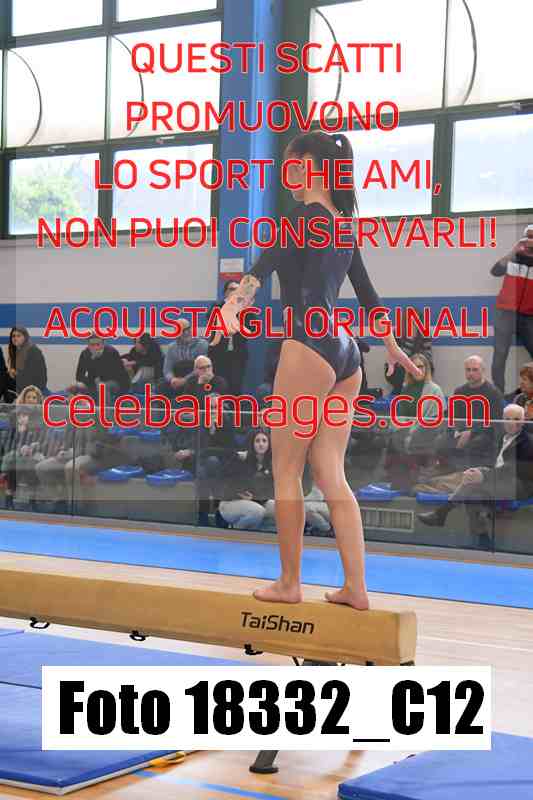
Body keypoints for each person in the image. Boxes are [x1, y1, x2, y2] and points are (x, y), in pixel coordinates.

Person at [216, 130, 422, 610]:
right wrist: (392, 347)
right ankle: (356, 588)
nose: (286, 174)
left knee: (286, 471)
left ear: (309, 167)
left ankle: (290, 583)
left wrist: (231, 306)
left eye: (290, 164)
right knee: (331, 475)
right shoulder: (344, 224)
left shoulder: (302, 217)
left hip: (308, 344)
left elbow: (260, 269)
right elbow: (368, 294)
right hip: (346, 353)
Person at [417, 404, 533, 547]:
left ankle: (442, 513)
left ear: (523, 421)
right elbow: (494, 464)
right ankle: (482, 540)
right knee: (473, 493)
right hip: (499, 479)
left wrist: (483, 475)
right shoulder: (502, 438)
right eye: (507, 419)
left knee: (473, 483)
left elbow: (511, 469)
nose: (511, 422)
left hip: (520, 485)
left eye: (516, 419)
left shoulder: (528, 442)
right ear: (502, 420)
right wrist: (477, 471)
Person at [491, 224, 533, 394]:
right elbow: (495, 271)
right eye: (528, 237)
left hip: (528, 315)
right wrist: (514, 250)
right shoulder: (513, 257)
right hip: (505, 312)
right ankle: (498, 395)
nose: (530, 241)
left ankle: (528, 392)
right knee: (500, 355)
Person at [218, 429, 274, 530]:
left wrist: (255, 498)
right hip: (231, 502)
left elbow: (268, 492)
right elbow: (226, 476)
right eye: (257, 441)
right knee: (258, 511)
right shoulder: (243, 460)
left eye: (264, 441)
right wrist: (236, 458)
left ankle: (260, 531)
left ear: (269, 444)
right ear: (252, 444)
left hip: (256, 500)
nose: (261, 444)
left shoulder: (270, 464)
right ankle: (235, 530)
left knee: (281, 508)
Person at [208, 280, 251, 395]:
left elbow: (251, 327)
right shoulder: (217, 307)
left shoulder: (244, 309)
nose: (235, 292)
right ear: (225, 293)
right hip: (219, 355)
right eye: (232, 289)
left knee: (236, 386)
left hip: (237, 355)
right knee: (219, 386)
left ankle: (234, 406)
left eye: (237, 290)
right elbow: (211, 319)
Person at [70, 333, 130, 405]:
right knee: (73, 387)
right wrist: (90, 382)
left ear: (103, 344)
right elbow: (79, 376)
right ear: (88, 345)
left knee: (102, 386)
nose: (95, 347)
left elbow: (118, 375)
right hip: (94, 381)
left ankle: (106, 410)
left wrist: (96, 361)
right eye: (92, 345)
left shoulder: (111, 352)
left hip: (116, 382)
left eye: (98, 344)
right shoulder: (85, 354)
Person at [158, 318, 209, 400]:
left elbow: (201, 368)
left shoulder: (202, 344)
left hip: (195, 379)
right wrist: (172, 379)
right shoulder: (172, 347)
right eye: (182, 330)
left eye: (188, 329)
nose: (186, 333)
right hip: (177, 379)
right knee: (161, 385)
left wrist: (185, 380)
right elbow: (167, 369)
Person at [7, 326, 48, 396]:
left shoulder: (33, 351)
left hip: (34, 391)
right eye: (13, 336)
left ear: (25, 337)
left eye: (18, 336)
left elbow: (34, 376)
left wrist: (15, 374)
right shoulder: (16, 352)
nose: (15, 338)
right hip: (21, 388)